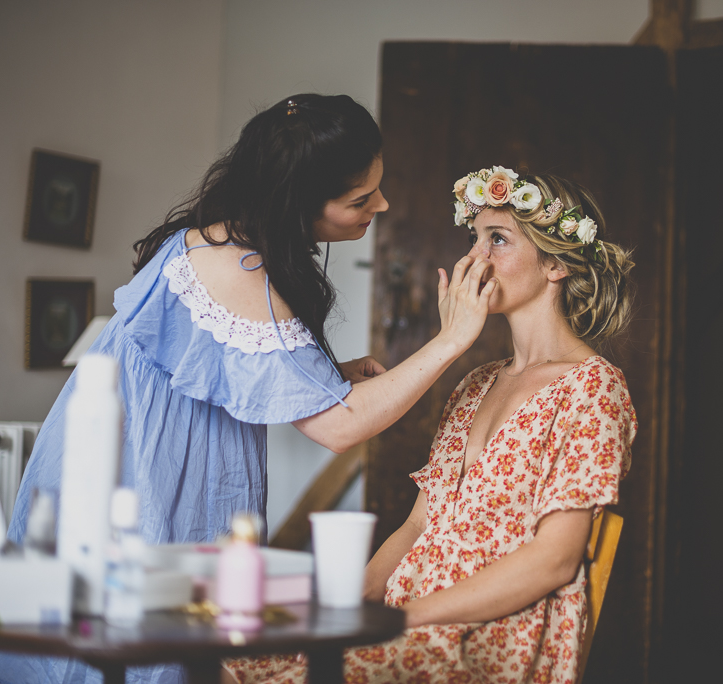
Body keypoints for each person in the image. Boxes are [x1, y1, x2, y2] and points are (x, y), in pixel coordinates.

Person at [0, 95, 496, 684]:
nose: (382, 204)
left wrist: (319, 376)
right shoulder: (238, 267)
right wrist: (453, 339)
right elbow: (340, 425)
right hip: (141, 474)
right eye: (359, 199)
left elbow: (222, 368)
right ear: (298, 203)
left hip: (139, 456)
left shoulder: (230, 243)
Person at [225, 166, 638, 684]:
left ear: (555, 263)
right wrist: (347, 607)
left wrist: (401, 619)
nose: (474, 258)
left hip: (493, 631)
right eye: (474, 239)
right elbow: (420, 525)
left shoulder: (593, 388)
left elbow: (554, 562)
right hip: (406, 610)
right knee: (237, 660)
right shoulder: (476, 383)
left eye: (499, 240)